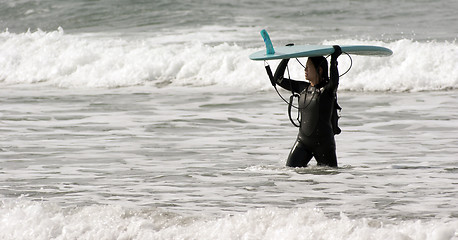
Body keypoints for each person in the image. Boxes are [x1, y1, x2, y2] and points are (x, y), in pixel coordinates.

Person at [273, 45, 342, 168]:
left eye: (308, 67)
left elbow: (334, 81)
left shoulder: (327, 90)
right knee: (289, 172)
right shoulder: (302, 88)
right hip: (303, 142)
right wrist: (286, 57)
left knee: (330, 178)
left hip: (324, 145)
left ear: (319, 70)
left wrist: (334, 60)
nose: (305, 70)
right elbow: (277, 79)